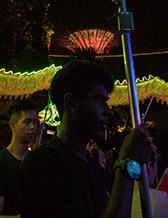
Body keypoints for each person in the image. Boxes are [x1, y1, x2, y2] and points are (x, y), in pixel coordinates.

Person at [18, 60, 155, 218]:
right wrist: (128, 162)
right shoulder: (43, 165)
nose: (108, 112)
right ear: (71, 103)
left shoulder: (96, 171)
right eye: (99, 101)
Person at [0, 98, 38, 218]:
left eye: (34, 121)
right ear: (13, 126)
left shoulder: (37, 162)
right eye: (27, 122)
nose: (33, 127)